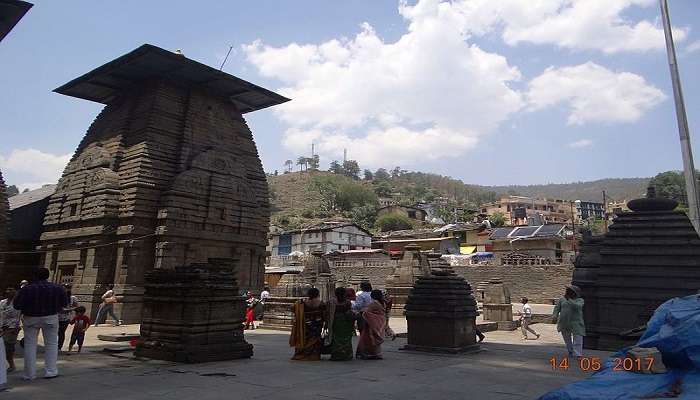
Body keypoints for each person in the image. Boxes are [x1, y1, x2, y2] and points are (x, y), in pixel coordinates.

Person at [12, 267, 68, 380]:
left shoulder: (26, 289)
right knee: (51, 344)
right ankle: (51, 371)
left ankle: (29, 374)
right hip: (51, 317)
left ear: (35, 276)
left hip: (30, 317)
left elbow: (16, 305)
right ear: (48, 276)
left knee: (30, 345)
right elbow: (64, 303)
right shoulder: (58, 288)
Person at [290, 287, 326, 361]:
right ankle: (314, 355)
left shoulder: (303, 303)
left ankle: (302, 353)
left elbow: (293, 308)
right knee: (315, 340)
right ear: (318, 294)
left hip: (306, 324)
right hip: (317, 324)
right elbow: (325, 314)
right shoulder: (321, 303)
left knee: (304, 338)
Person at [552, 285, 585, 358]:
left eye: (570, 291)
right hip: (564, 322)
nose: (568, 292)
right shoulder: (562, 299)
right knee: (567, 338)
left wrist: (569, 300)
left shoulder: (580, 300)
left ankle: (577, 354)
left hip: (576, 322)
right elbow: (557, 308)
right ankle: (570, 350)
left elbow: (577, 306)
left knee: (578, 338)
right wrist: (555, 316)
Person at [356, 290, 386, 360]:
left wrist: (361, 313)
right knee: (375, 338)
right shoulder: (382, 303)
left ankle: (369, 354)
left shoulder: (374, 303)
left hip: (371, 324)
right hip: (379, 323)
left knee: (368, 339)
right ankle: (376, 353)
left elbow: (366, 313)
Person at [327, 287, 354, 361]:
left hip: (335, 321)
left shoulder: (331, 301)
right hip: (346, 322)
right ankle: (346, 354)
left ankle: (336, 355)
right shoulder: (348, 302)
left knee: (336, 338)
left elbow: (327, 312)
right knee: (346, 338)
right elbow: (350, 312)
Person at [1, 287, 21, 374]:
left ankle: (11, 365)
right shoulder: (2, 302)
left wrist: (18, 327)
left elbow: (22, 316)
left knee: (8, 348)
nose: (9, 291)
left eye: (11, 289)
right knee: (3, 348)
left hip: (12, 328)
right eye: (7, 289)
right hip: (2, 327)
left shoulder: (18, 303)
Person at [57, 285, 79, 351]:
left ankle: (59, 346)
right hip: (57, 317)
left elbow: (76, 307)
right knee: (56, 332)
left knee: (61, 332)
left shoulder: (73, 298)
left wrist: (69, 309)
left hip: (66, 318)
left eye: (67, 289)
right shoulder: (58, 297)